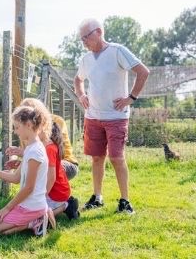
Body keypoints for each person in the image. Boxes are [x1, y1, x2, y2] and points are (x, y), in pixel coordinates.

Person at [73, 18, 150, 215]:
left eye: (86, 37)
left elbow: (143, 72)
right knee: (97, 158)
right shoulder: (86, 59)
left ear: (98, 32)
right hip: (93, 117)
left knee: (116, 157)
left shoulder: (117, 51)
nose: (84, 42)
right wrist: (81, 94)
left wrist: (131, 97)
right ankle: (97, 197)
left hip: (116, 117)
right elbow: (78, 79)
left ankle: (125, 201)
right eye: (81, 39)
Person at [0, 105, 50, 236]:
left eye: (17, 127)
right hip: (27, 203)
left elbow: (29, 188)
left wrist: (6, 208)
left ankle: (34, 221)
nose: (15, 132)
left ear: (28, 125)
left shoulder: (35, 152)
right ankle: (33, 220)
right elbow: (16, 179)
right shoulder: (31, 148)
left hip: (32, 206)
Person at [10, 98, 79, 222]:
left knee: (38, 212)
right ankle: (57, 203)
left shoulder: (52, 127)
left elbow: (48, 166)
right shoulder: (31, 132)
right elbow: (35, 160)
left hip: (67, 163)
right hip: (52, 169)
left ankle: (65, 205)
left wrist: (41, 198)